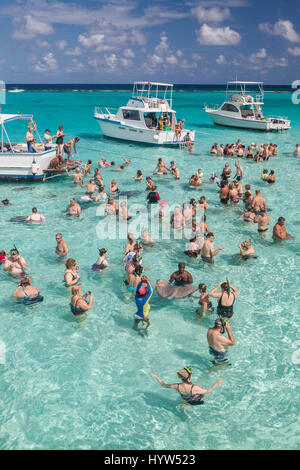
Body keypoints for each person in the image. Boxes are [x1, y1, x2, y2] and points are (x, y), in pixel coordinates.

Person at [150, 367, 223, 406]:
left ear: (180, 377)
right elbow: (208, 391)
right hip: (197, 401)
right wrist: (217, 383)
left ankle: (185, 405)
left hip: (186, 400)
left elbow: (163, 385)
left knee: (185, 401)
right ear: (190, 378)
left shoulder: (176, 386)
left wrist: (156, 376)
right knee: (200, 385)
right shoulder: (194, 388)